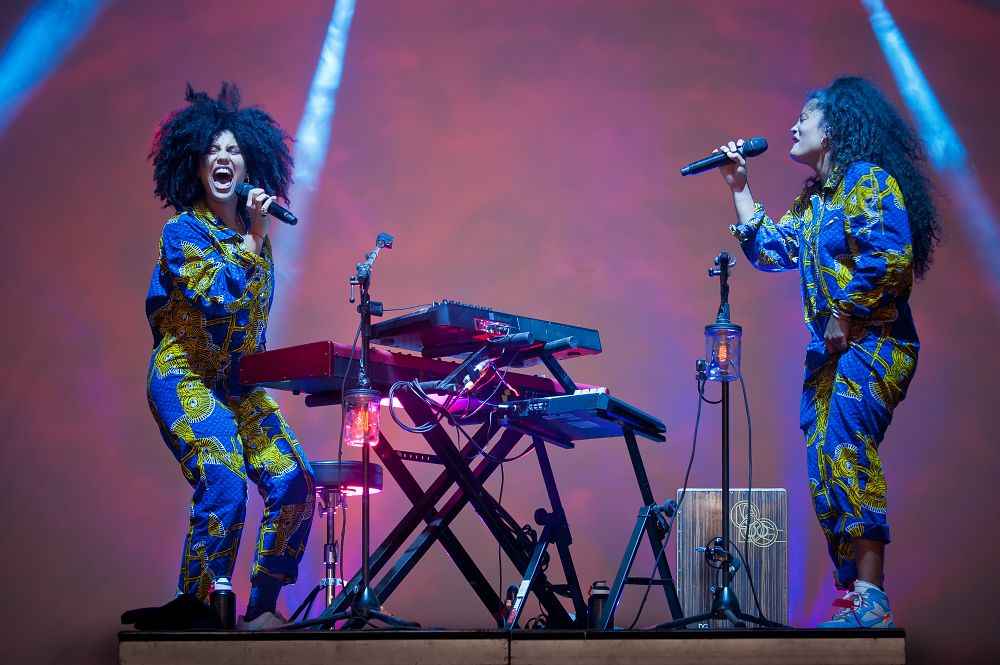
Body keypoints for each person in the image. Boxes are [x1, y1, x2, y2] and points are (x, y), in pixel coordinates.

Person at [715, 75, 940, 628]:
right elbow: (771, 250)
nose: (792, 126)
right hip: (834, 351)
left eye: (805, 117)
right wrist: (739, 185)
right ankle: (858, 594)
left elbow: (890, 260)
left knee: (845, 447)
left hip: (875, 342)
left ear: (834, 127)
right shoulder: (815, 200)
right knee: (824, 460)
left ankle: (872, 596)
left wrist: (842, 312)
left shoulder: (868, 181)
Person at [146, 82, 315, 630]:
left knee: (293, 480)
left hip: (237, 385)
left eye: (234, 152)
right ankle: (198, 605)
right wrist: (254, 238)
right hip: (185, 376)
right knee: (224, 478)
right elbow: (218, 297)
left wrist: (255, 234)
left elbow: (252, 329)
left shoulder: (252, 240)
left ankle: (264, 604)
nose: (222, 159)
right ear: (195, 167)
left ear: (250, 170)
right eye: (212, 152)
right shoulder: (182, 232)